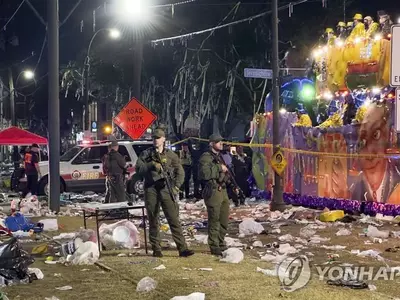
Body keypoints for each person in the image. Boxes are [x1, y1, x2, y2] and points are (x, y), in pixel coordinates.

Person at [136, 128, 194, 258]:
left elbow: (180, 172)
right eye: (154, 138)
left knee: (173, 219)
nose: (155, 140)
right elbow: (138, 169)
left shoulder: (171, 155)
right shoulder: (146, 154)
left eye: (158, 138)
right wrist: (151, 165)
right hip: (151, 188)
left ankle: (182, 248)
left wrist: (176, 187)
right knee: (153, 219)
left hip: (166, 188)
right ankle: (156, 248)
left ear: (163, 139)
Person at [199, 134, 237, 256]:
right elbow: (204, 174)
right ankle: (214, 245)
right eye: (218, 142)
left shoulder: (220, 156)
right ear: (211, 143)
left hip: (223, 190)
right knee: (214, 220)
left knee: (224, 220)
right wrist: (219, 168)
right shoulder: (206, 157)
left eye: (221, 141)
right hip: (214, 190)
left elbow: (228, 173)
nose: (221, 143)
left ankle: (221, 242)